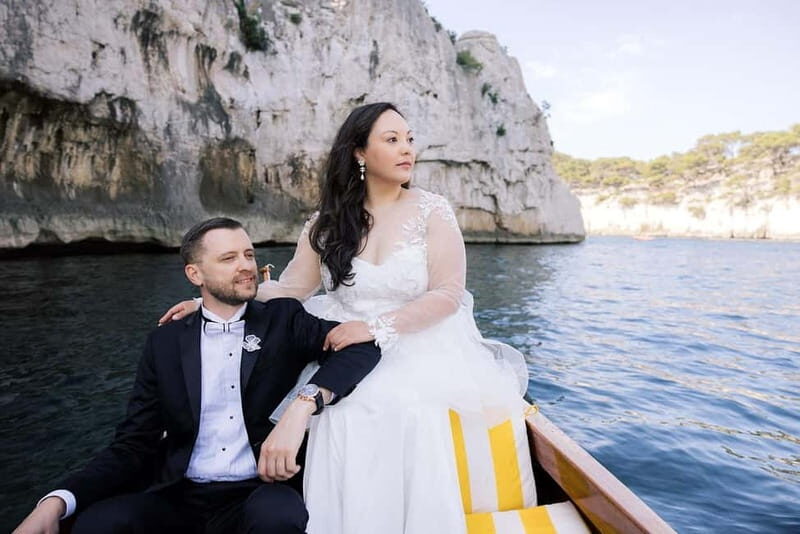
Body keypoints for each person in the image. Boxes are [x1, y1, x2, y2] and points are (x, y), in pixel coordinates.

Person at [158, 103, 529, 533]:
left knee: (403, 406)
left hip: (419, 337)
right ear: (359, 152)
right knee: (337, 406)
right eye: (392, 140)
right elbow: (291, 289)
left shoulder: (433, 210)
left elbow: (448, 293)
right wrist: (212, 302)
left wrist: (375, 327)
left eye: (409, 139)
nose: (407, 149)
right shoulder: (325, 223)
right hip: (342, 339)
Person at [13, 218, 381, 534]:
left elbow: (362, 347)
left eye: (249, 255)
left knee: (279, 518)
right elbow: (133, 443)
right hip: (179, 493)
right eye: (229, 258)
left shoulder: (283, 319)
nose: (247, 266)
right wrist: (55, 502)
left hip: (260, 489)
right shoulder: (165, 342)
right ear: (195, 274)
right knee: (99, 523)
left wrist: (304, 404)